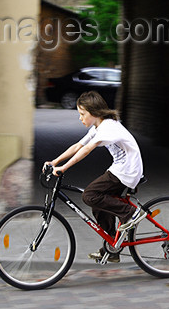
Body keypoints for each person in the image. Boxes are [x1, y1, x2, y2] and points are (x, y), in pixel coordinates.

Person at [45, 90, 146, 263]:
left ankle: (131, 213)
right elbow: (78, 145)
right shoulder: (99, 126)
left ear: (94, 112)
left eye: (82, 114)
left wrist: (64, 168)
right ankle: (112, 248)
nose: (80, 118)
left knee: (90, 195)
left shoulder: (108, 127)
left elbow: (86, 150)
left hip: (127, 171)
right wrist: (55, 162)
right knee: (98, 204)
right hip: (120, 169)